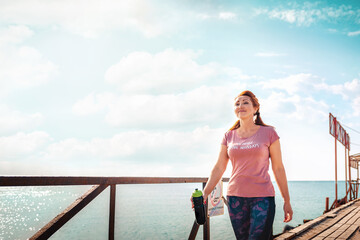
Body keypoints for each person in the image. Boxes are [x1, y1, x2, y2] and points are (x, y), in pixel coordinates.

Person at [196, 90, 293, 240]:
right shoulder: (228, 136)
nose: (240, 105)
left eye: (245, 102)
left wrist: (287, 201)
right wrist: (205, 193)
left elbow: (278, 168)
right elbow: (219, 167)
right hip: (235, 198)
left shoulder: (269, 133)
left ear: (255, 109)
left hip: (263, 197)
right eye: (237, 103)